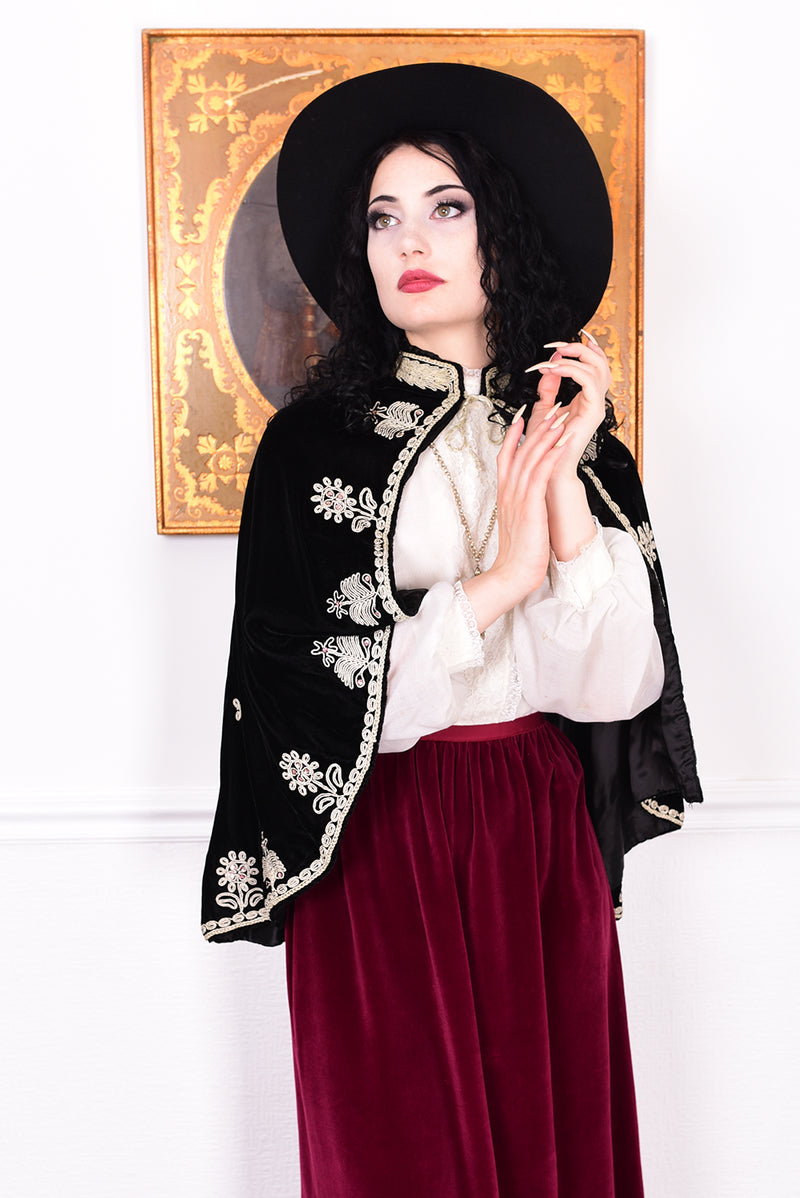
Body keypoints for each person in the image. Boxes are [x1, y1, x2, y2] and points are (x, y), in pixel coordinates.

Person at [202, 64, 702, 1197]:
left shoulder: (580, 442)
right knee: (403, 1157)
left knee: (547, 1152)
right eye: (381, 216)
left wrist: (565, 472)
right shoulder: (311, 447)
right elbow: (318, 692)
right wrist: (503, 577)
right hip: (378, 839)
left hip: (533, 821)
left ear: (499, 232)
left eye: (443, 207)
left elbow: (614, 682)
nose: (405, 241)